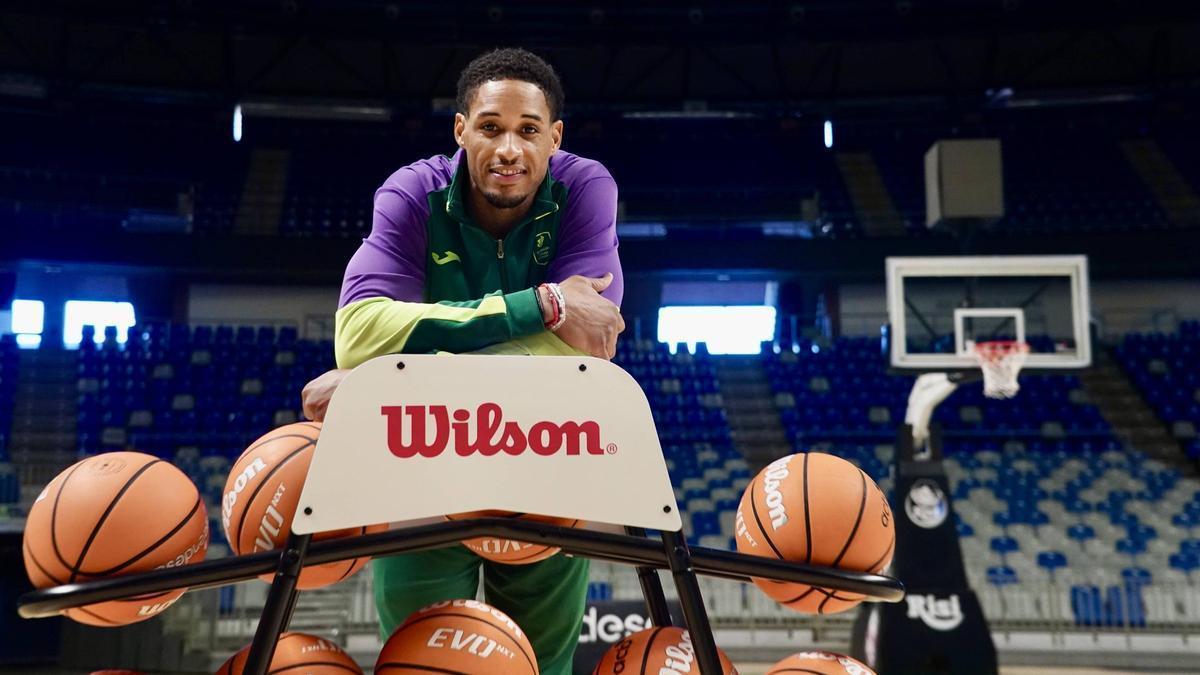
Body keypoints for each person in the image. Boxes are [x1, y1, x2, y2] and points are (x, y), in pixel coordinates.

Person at [299, 48, 624, 674]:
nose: (509, 149)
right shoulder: (411, 193)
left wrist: (395, 379)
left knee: (545, 666)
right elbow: (358, 337)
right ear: (460, 129)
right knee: (417, 661)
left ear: (555, 137)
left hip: (547, 457)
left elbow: (586, 345)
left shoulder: (586, 187)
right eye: (490, 127)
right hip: (423, 460)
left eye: (528, 130)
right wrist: (540, 305)